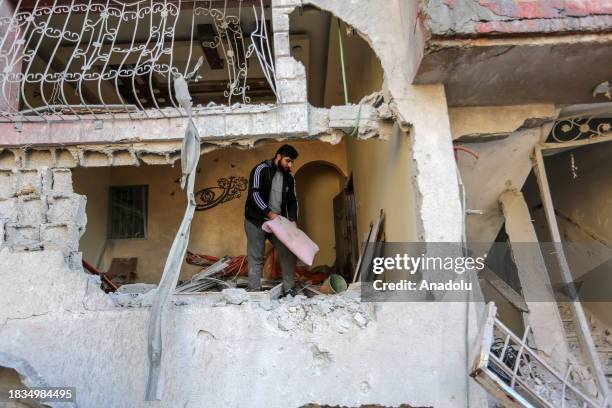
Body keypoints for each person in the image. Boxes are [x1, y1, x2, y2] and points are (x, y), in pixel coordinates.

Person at [244, 144, 299, 295]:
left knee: (288, 251)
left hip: (277, 223)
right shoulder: (260, 169)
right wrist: (269, 213)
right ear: (278, 157)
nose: (290, 164)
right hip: (256, 220)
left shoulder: (289, 178)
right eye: (288, 160)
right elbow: (254, 195)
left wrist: (293, 219)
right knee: (256, 256)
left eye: (292, 162)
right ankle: (254, 290)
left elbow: (292, 200)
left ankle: (289, 289)